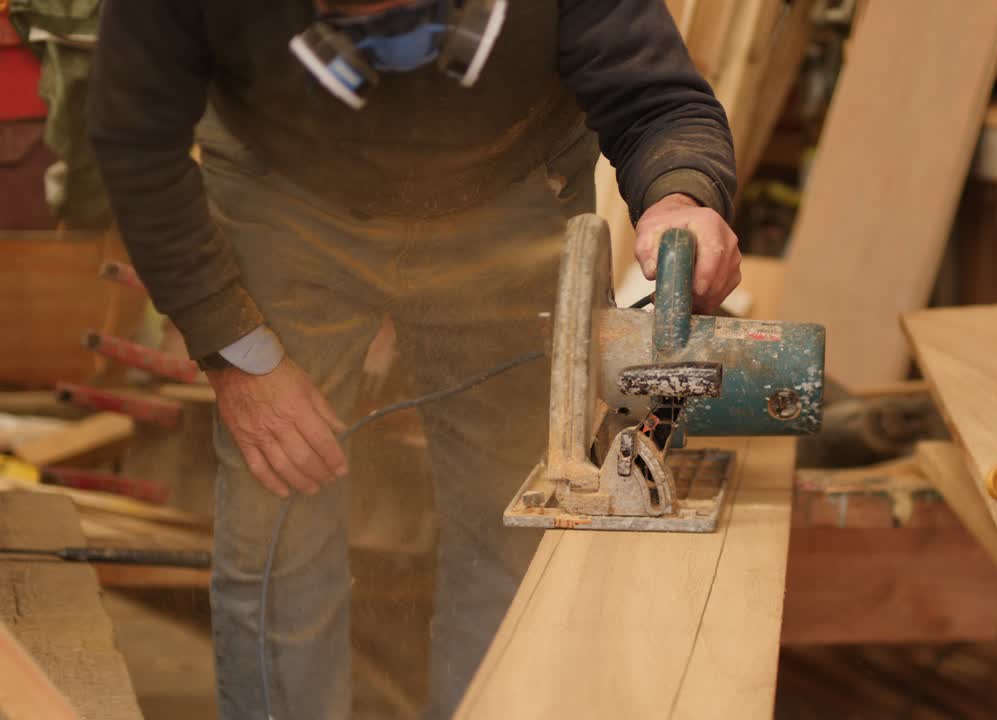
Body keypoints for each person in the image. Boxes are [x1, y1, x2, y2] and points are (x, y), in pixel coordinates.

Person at [88, 1, 741, 718]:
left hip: (510, 191)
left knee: (513, 519)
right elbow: (135, 138)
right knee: (277, 510)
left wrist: (682, 195)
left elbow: (654, 96)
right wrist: (236, 356)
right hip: (283, 193)